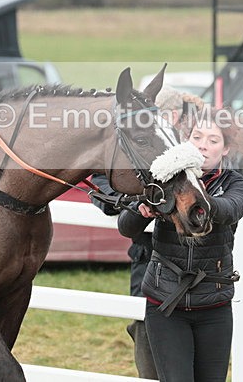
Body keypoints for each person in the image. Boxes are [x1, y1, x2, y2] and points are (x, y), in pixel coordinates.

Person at [117, 106, 243, 382]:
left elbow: (228, 210)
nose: (203, 147)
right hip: (165, 304)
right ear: (185, 141)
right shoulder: (163, 179)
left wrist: (192, 198)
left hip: (214, 306)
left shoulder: (235, 184)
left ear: (225, 149)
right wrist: (143, 208)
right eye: (197, 138)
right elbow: (126, 228)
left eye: (213, 141)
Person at [90, 85, 204, 380]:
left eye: (162, 116)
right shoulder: (140, 140)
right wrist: (130, 202)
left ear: (176, 115)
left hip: (196, 260)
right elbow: (101, 180)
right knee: (146, 336)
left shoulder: (196, 142)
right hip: (148, 254)